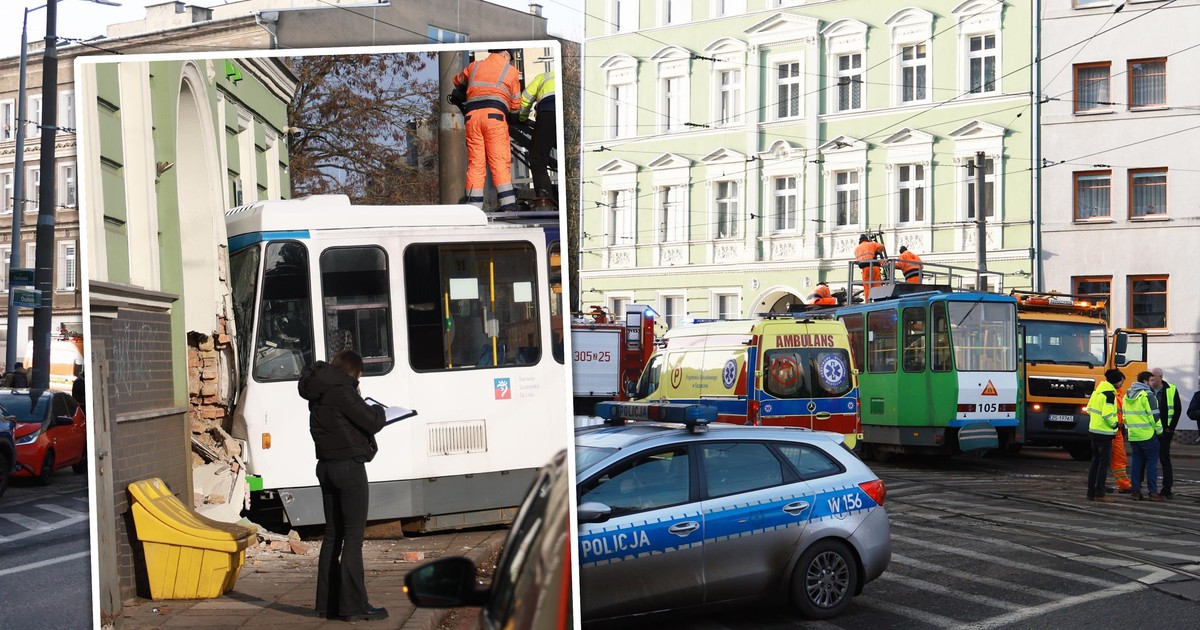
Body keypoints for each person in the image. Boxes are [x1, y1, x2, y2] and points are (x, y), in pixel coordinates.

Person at [298, 350, 388, 622]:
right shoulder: (343, 391)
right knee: (353, 538)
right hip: (349, 468)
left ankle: (327, 605)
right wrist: (380, 410)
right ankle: (354, 607)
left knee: (332, 536)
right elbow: (372, 421)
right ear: (354, 372)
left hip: (325, 467)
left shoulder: (318, 391)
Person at [454, 49, 522, 211]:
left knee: (476, 164)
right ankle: (508, 206)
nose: (510, 62)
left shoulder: (474, 67)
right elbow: (516, 106)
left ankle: (473, 208)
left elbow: (457, 81)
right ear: (506, 55)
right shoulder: (511, 72)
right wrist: (513, 116)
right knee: (499, 161)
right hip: (494, 118)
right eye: (510, 59)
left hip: (472, 118)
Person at [1124, 370, 1164, 502]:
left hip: (1134, 436)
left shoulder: (1127, 395)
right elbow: (1154, 416)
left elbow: (1124, 416)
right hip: (1148, 436)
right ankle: (1153, 493)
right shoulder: (1147, 395)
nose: (1153, 383)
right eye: (1151, 381)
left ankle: (1135, 491)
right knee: (1151, 464)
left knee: (1136, 463)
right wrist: (1159, 431)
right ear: (1145, 382)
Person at [518, 69, 556, 200]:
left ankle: (545, 199)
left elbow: (525, 99)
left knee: (537, 158)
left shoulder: (542, 77)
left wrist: (522, 118)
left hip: (549, 113)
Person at [1086, 369, 1122, 502]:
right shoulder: (1109, 395)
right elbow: (1107, 414)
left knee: (1095, 462)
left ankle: (1090, 492)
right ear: (1116, 381)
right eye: (1121, 380)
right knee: (1103, 464)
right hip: (1105, 434)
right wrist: (1115, 425)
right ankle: (1100, 491)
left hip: (1093, 431)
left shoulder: (1097, 392)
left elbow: (1089, 409)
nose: (1122, 383)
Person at [1149, 368, 1181, 498]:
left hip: (1164, 431)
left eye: (1153, 377)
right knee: (1148, 460)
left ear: (1160, 377)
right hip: (1149, 431)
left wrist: (1170, 427)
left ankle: (1167, 488)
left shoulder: (1171, 389)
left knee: (1164, 460)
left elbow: (1177, 409)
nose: (1151, 380)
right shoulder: (1147, 390)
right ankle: (1142, 488)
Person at [854, 234, 886, 300]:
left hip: (865, 268)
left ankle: (868, 302)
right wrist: (877, 250)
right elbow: (882, 247)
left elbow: (858, 260)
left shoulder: (856, 249)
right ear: (867, 239)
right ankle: (878, 300)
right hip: (874, 267)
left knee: (867, 287)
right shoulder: (871, 244)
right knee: (877, 284)